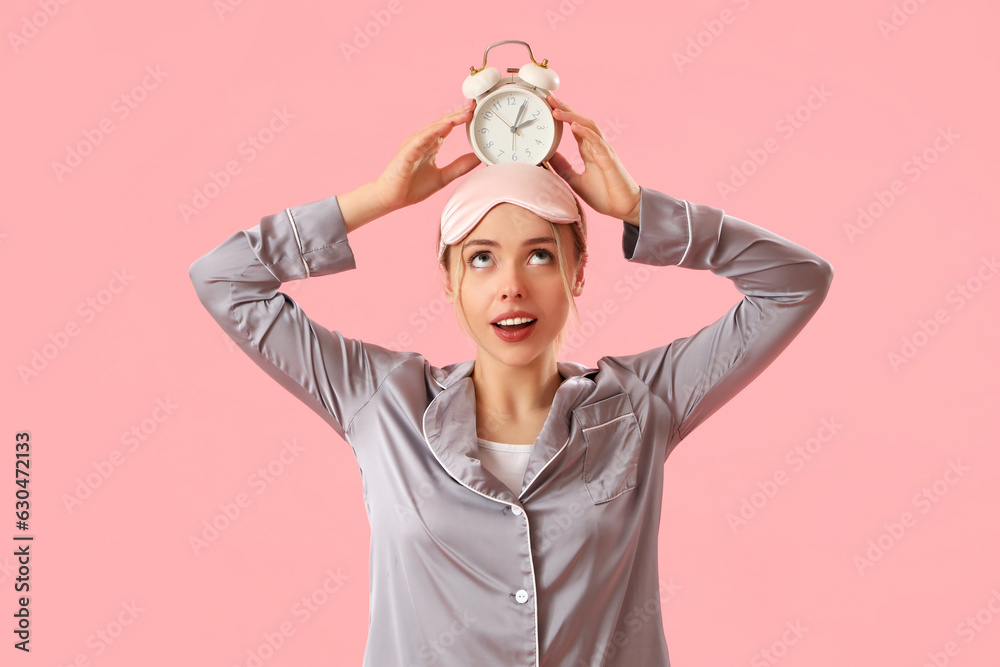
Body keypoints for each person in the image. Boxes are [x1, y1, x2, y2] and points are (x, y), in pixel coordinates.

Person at [188, 92, 833, 666]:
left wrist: (638, 208)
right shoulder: (382, 403)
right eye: (482, 258)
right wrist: (378, 200)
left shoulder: (639, 406)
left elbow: (795, 284)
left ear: (578, 272)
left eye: (541, 255)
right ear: (451, 280)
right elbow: (225, 279)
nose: (512, 288)